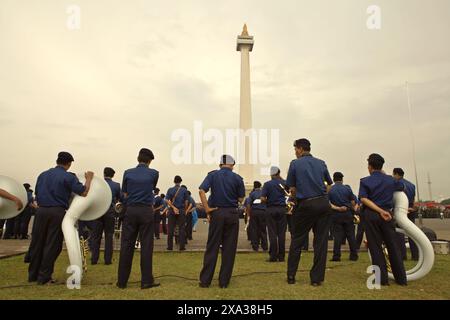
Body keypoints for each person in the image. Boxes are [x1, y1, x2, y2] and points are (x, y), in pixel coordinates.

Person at [29, 152, 93, 285]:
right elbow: (84, 192)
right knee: (52, 245)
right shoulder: (68, 176)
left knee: (37, 243)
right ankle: (44, 277)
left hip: (40, 211)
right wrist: (89, 179)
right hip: (56, 211)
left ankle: (33, 275)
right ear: (69, 164)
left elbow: (37, 193)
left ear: (57, 161)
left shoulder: (43, 174)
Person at [286, 138, 333, 286]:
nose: (295, 153)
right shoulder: (321, 162)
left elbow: (292, 188)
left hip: (305, 204)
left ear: (299, 149)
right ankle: (317, 279)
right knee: (320, 242)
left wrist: (294, 198)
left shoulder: (295, 164)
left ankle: (291, 276)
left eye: (295, 150)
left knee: (297, 240)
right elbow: (329, 185)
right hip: (323, 204)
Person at [358, 154, 407, 286]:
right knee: (393, 246)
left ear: (370, 166)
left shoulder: (364, 181)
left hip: (372, 215)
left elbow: (363, 199)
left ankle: (381, 279)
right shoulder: (390, 180)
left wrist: (379, 211)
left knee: (375, 247)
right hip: (388, 215)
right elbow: (402, 187)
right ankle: (401, 279)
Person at [198, 155, 245, 288]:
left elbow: (202, 191)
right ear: (232, 165)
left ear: (220, 164)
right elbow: (241, 199)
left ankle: (205, 280)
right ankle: (224, 282)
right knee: (229, 249)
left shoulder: (212, 175)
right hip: (231, 213)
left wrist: (207, 209)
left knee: (212, 247)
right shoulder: (237, 178)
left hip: (216, 212)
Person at [117, 148, 160, 289]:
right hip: (146, 211)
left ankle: (122, 281)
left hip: (131, 210)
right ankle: (146, 280)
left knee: (127, 245)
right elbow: (151, 188)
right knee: (146, 246)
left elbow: (125, 193)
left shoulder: (128, 173)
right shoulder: (154, 173)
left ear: (138, 158)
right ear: (149, 161)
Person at [91, 167, 121, 265]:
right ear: (113, 175)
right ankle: (107, 260)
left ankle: (94, 259)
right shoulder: (116, 186)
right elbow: (121, 199)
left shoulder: (97, 184)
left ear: (104, 174)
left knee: (96, 237)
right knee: (109, 236)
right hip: (110, 212)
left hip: (98, 212)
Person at [328, 172, 359, 262]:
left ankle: (336, 256)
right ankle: (354, 255)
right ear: (342, 179)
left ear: (333, 179)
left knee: (337, 236)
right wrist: (350, 209)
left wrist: (338, 208)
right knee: (351, 235)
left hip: (336, 214)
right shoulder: (347, 189)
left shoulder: (330, 190)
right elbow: (353, 202)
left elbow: (328, 204)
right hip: (347, 213)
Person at [261, 166, 288, 262]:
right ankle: (281, 257)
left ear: (271, 174)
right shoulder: (284, 183)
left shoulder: (267, 184)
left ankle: (273, 256)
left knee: (272, 233)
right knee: (281, 234)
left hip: (271, 209)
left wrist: (267, 201)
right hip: (282, 209)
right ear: (279, 173)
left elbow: (263, 198)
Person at [392, 168, 419, 261]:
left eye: (393, 174)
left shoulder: (398, 185)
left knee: (399, 233)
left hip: (402, 210)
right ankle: (415, 255)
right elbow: (414, 199)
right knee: (412, 233)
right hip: (411, 210)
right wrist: (411, 208)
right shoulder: (412, 185)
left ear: (396, 174)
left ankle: (403, 255)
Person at [166, 176, 189, 251]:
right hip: (181, 210)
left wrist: (173, 207)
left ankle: (170, 247)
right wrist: (184, 210)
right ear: (180, 181)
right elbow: (186, 201)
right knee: (182, 228)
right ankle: (182, 247)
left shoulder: (170, 190)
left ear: (174, 181)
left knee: (170, 229)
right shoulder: (184, 190)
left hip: (172, 210)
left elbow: (167, 200)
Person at [247, 181, 268, 252]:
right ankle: (264, 246)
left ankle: (255, 246)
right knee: (263, 229)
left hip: (254, 212)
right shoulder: (263, 193)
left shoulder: (252, 194)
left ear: (254, 186)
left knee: (254, 229)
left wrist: (249, 214)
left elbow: (248, 205)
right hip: (263, 212)